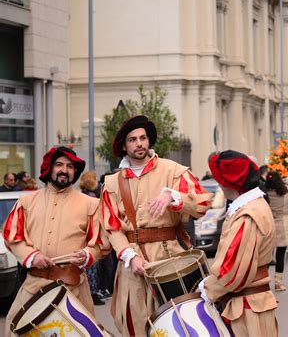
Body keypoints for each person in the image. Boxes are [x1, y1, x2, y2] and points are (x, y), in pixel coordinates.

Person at [100, 115, 212, 336]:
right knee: (136, 324)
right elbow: (111, 226)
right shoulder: (112, 183)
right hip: (133, 264)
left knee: (178, 324)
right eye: (132, 139)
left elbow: (202, 204)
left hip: (170, 260)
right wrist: (130, 257)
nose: (139, 143)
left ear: (149, 141)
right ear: (124, 145)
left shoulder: (174, 171)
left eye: (143, 138)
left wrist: (175, 196)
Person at [2, 147, 103, 336]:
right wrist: (31, 257)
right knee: (13, 330)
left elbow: (101, 241)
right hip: (33, 286)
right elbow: (12, 235)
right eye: (59, 165)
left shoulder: (91, 204)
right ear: (49, 168)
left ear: (75, 172)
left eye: (70, 166)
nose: (64, 170)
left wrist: (88, 255)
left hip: (74, 289)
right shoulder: (27, 201)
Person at [199, 150, 278, 336]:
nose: (218, 184)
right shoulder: (254, 205)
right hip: (252, 302)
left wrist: (206, 289)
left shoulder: (247, 215)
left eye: (220, 180)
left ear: (228, 183)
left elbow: (232, 270)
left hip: (248, 306)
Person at [265, 170, 288, 291]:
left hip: (268, 226)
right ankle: (278, 283)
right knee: (280, 256)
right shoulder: (285, 194)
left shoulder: (265, 195)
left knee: (266, 257)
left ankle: (263, 283)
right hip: (283, 226)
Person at [79, 171, 105, 306]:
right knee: (92, 267)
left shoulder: (82, 194)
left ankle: (92, 292)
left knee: (90, 268)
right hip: (90, 236)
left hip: (86, 236)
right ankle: (92, 293)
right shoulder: (90, 197)